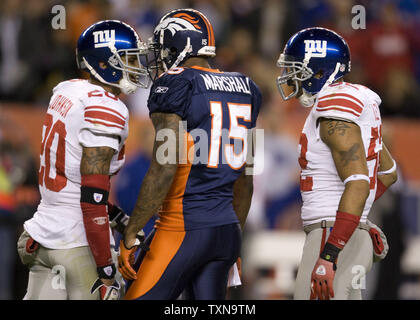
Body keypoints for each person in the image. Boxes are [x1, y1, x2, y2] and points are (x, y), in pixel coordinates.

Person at [118, 8, 262, 300]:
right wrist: (235, 234)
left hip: (183, 228)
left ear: (179, 45)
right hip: (227, 231)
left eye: (163, 48)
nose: (160, 57)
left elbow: (164, 165)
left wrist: (132, 230)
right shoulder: (247, 88)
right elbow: (245, 177)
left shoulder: (176, 83)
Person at [17, 20, 150, 300]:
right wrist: (106, 269)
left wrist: (115, 216)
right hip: (77, 243)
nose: (135, 65)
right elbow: (91, 197)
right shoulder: (106, 106)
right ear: (103, 64)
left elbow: (72, 179)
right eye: (127, 59)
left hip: (41, 236)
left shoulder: (67, 90)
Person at [275, 27, 398, 300]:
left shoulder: (333, 108)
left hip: (330, 236)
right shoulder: (359, 97)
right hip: (345, 232)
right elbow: (387, 172)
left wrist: (332, 250)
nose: (289, 76)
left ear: (318, 71)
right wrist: (357, 220)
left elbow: (357, 182)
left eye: (295, 68)